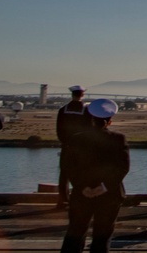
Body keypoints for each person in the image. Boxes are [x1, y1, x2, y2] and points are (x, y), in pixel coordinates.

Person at [60, 99, 130, 253]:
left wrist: (81, 186)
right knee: (102, 236)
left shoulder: (76, 138)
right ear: (109, 121)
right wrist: (104, 187)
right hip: (109, 194)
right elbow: (122, 168)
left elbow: (67, 166)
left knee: (75, 233)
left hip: (81, 194)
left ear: (91, 119)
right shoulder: (118, 139)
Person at [56, 85, 91, 209]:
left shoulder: (63, 109)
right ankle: (81, 199)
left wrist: (65, 142)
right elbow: (88, 130)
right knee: (82, 173)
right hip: (81, 147)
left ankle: (62, 200)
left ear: (72, 95)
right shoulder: (86, 110)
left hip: (67, 145)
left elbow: (59, 130)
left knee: (64, 174)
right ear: (82, 95)